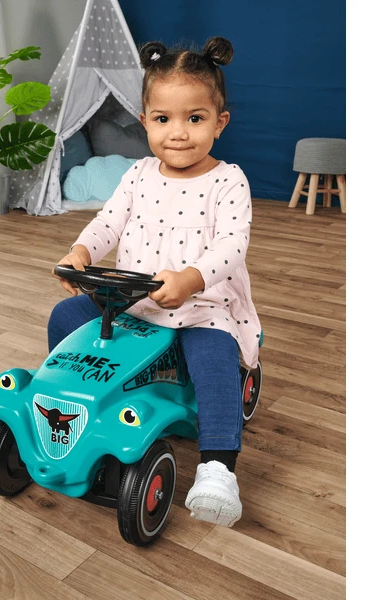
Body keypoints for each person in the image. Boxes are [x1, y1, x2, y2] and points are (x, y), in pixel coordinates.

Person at [49, 36, 261, 528]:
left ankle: (217, 468)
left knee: (213, 359)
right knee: (66, 317)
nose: (178, 133)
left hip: (200, 305)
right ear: (145, 121)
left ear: (219, 122)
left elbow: (232, 245)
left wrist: (191, 278)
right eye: (163, 119)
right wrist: (82, 250)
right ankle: (79, 403)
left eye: (195, 118)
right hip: (133, 299)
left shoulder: (228, 180)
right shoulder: (138, 174)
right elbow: (108, 222)